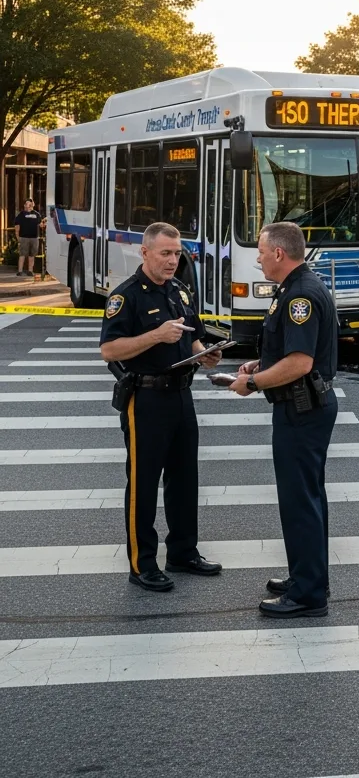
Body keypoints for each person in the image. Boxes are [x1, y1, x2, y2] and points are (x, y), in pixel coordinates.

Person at [99, 222, 223, 592]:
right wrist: (155, 334)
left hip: (181, 395)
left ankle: (183, 552)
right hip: (146, 398)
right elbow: (109, 350)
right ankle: (143, 563)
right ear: (145, 252)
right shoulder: (126, 297)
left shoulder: (180, 291)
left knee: (185, 478)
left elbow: (194, 337)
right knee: (143, 483)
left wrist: (206, 355)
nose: (173, 260)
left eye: (177, 253)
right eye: (166, 253)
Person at [229, 221, 338, 618]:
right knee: (306, 499)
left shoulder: (300, 297)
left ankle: (308, 595)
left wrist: (253, 382)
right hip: (303, 406)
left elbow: (301, 362)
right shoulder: (294, 289)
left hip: (303, 408)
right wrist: (263, 362)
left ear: (279, 253)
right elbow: (291, 351)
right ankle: (307, 576)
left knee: (300, 502)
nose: (257, 257)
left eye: (260, 250)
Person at [13, 198, 44, 277]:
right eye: (27, 204)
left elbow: (41, 224)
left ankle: (30, 271)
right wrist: (17, 237)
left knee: (32, 255)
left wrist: (44, 224)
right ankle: (20, 271)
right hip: (24, 237)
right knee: (22, 254)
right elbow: (17, 226)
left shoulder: (37, 214)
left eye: (30, 204)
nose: (28, 206)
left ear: (32, 205)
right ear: (24, 205)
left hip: (34, 237)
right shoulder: (21, 215)